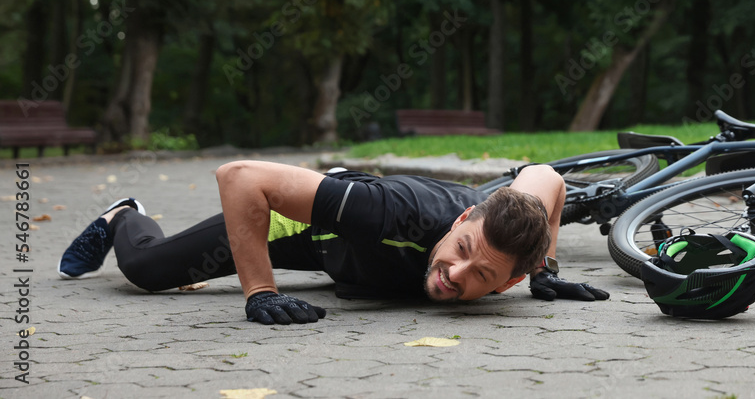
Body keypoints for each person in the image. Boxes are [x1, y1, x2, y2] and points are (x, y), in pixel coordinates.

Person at [58, 160, 610, 324]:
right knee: (149, 271)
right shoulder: (395, 215)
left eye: (483, 279)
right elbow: (239, 177)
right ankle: (123, 214)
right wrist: (260, 292)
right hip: (308, 228)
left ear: (508, 279)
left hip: (351, 255)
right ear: (463, 218)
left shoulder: (512, 247)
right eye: (461, 252)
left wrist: (546, 271)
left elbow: (547, 175)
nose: (455, 275)